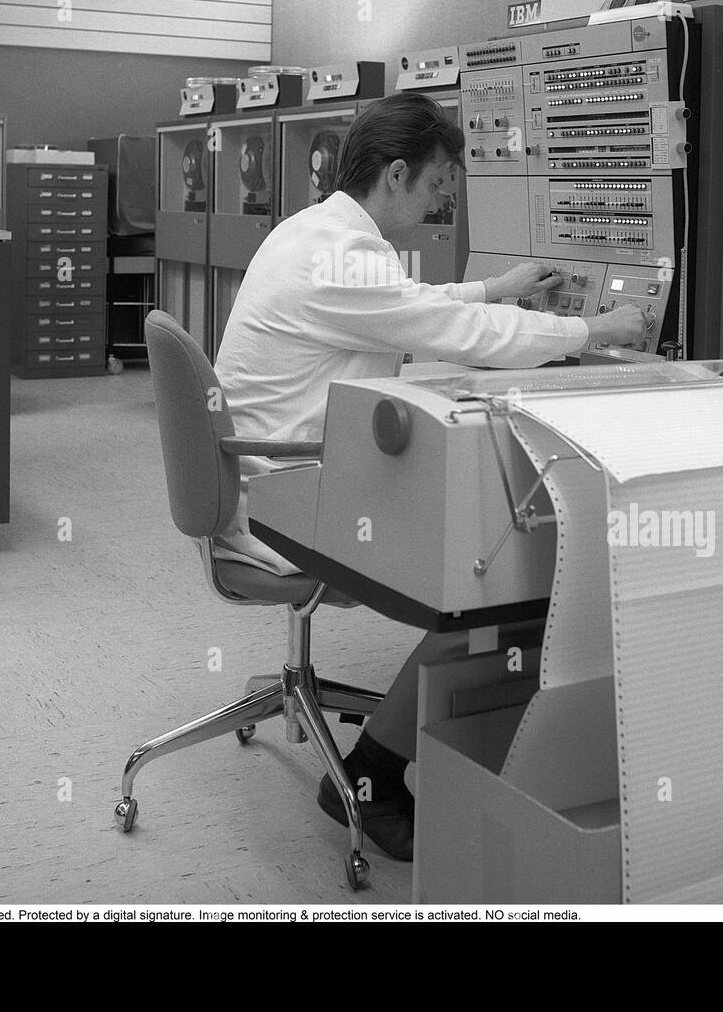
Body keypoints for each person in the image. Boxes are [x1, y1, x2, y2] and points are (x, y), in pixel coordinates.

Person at [213, 92, 645, 861]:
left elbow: (405, 308)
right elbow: (441, 328)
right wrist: (591, 330)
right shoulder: (344, 255)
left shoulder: (316, 232)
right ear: (399, 172)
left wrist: (500, 287)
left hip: (271, 467)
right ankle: (374, 772)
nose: (447, 196)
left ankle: (407, 749)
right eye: (442, 180)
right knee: (489, 574)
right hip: (284, 495)